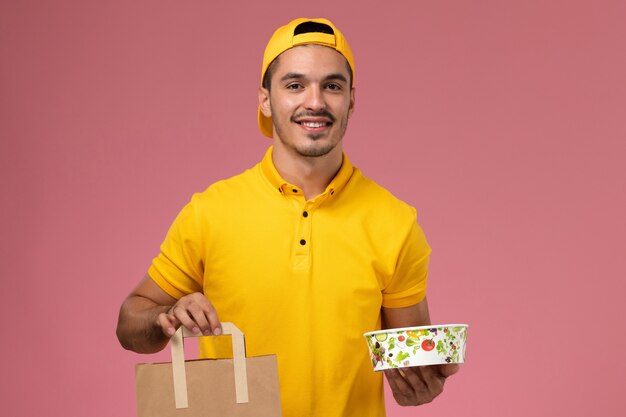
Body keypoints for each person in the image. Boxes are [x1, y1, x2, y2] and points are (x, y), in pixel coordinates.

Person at [116, 17, 459, 417]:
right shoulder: (210, 212)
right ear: (265, 99)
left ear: (351, 99)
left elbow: (411, 363)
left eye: (332, 85)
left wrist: (423, 382)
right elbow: (129, 324)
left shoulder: (395, 223)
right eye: (295, 85)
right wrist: (165, 317)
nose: (314, 101)